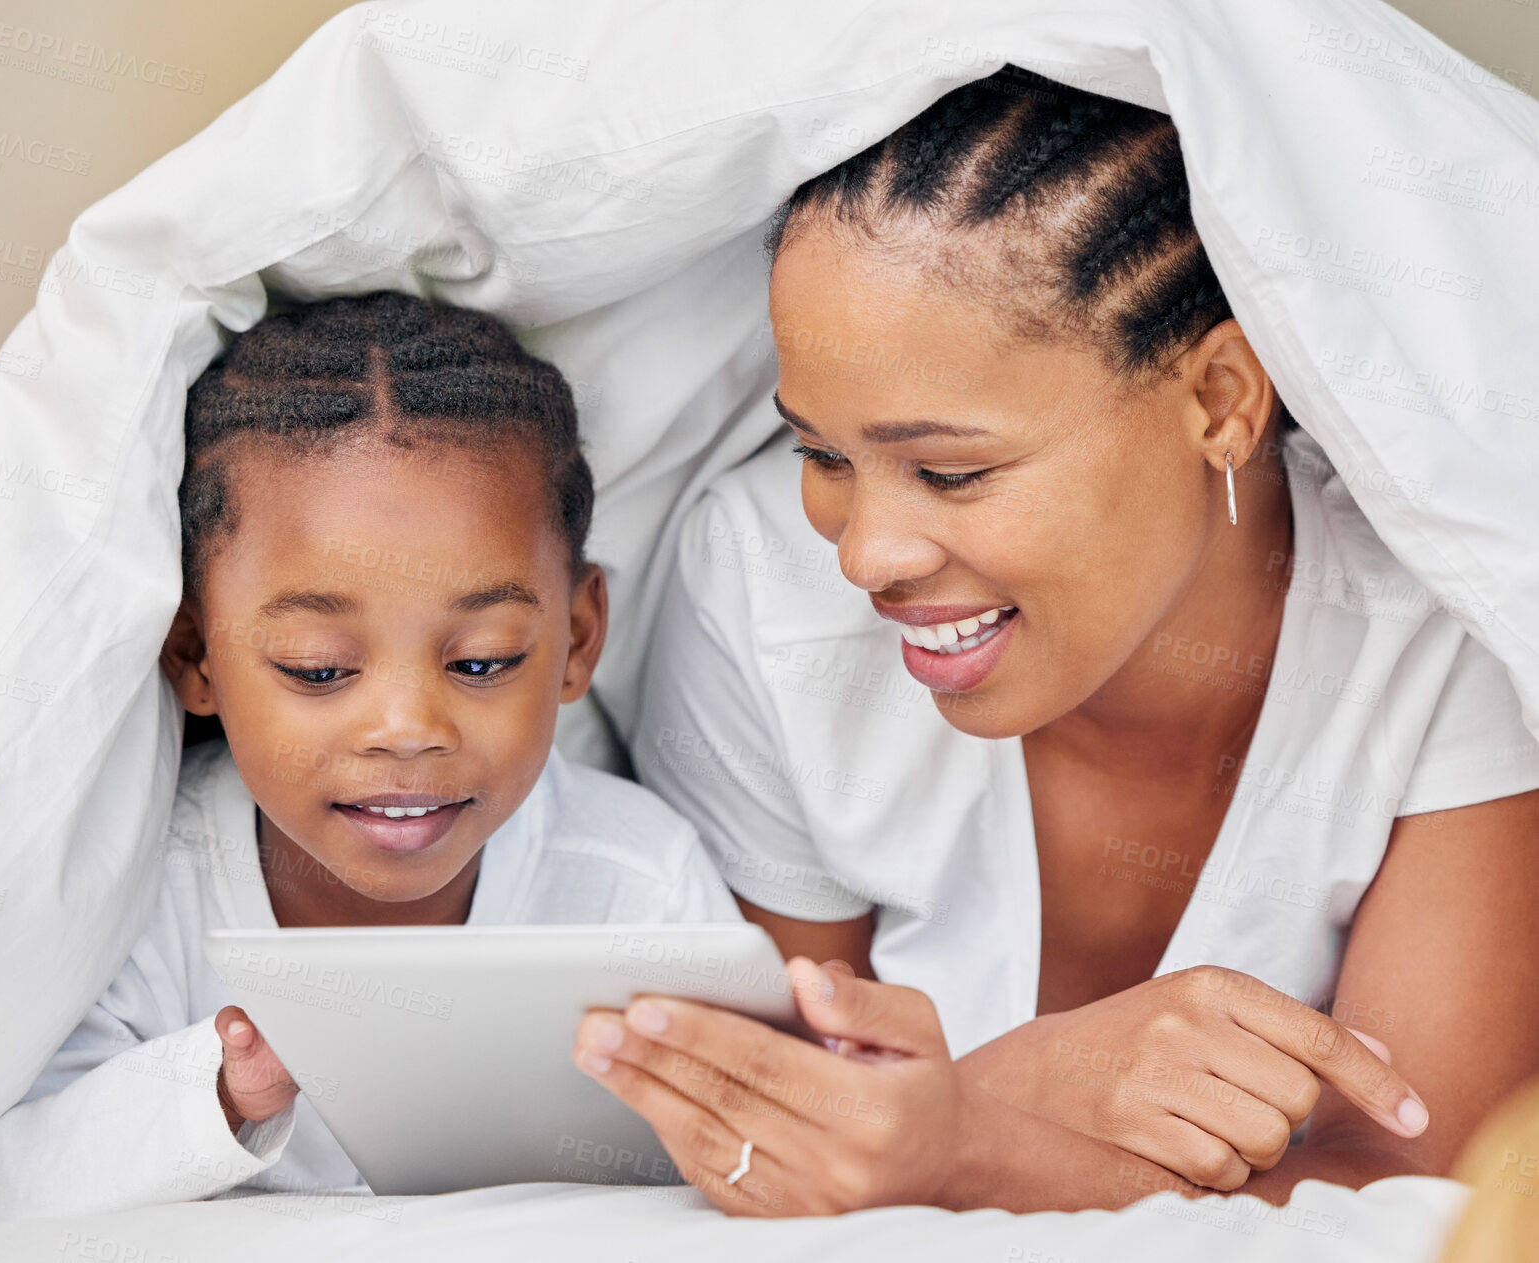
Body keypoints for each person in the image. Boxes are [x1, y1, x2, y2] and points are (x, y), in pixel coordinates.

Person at [573, 66, 1539, 1215]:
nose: (864, 555)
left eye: (952, 471)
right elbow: (789, 1119)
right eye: (822, 457)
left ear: (1222, 400)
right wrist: (1006, 1094)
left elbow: (1424, 1192)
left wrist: (974, 1140)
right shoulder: (757, 589)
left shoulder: (1450, 615)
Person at [0, 292, 737, 1228]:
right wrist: (223, 1091)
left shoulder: (634, 886)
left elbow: (729, 1164)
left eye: (482, 659)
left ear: (576, 638)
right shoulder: (131, 894)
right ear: (195, 655)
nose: (406, 728)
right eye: (318, 668)